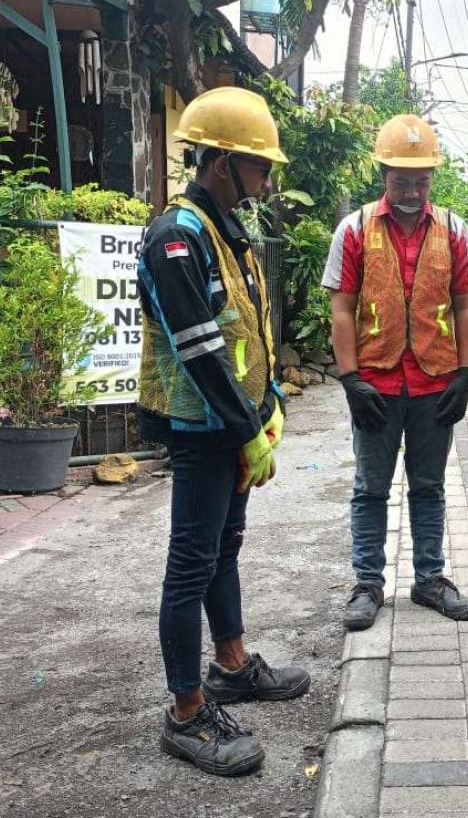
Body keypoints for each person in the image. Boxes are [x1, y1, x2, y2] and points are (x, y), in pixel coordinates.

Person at [137, 86, 310, 777]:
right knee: (190, 563)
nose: (267, 180)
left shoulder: (226, 228)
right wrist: (245, 431)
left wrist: (267, 407)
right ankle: (185, 712)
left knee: (222, 547)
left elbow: (248, 331)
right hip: (200, 424)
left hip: (234, 420)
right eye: (259, 166)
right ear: (221, 164)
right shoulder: (176, 237)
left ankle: (231, 664)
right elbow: (200, 348)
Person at [322, 114, 468, 632]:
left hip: (435, 384)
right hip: (375, 384)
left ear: (432, 177)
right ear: (383, 173)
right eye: (401, 181)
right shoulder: (354, 229)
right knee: (371, 487)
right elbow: (342, 308)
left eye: (421, 180)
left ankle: (430, 578)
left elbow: (465, 306)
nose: (412, 191)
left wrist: (466, 373)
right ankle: (368, 583)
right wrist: (350, 380)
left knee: (429, 486)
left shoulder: (455, 230)